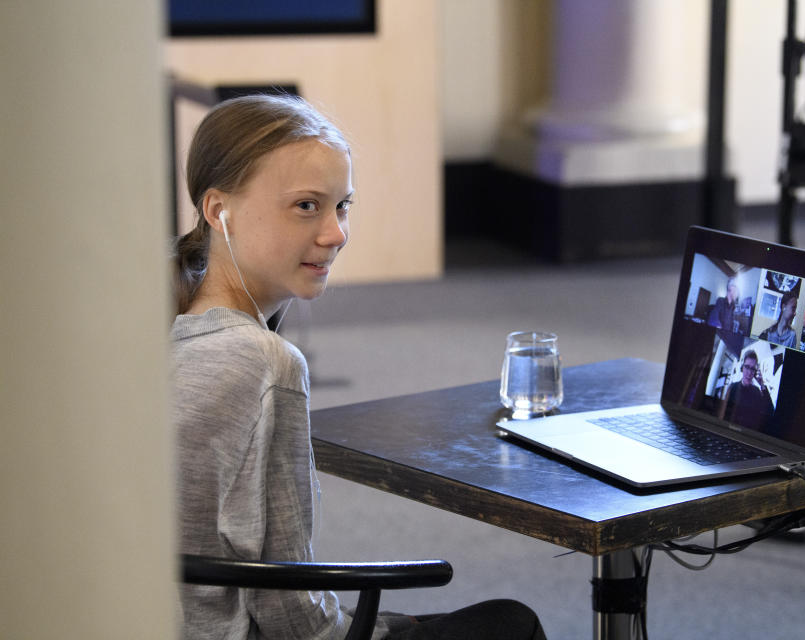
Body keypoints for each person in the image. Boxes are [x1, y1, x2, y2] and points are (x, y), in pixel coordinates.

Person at [171, 94, 546, 640]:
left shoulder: (162, 325)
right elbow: (288, 608)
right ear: (217, 209)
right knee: (512, 624)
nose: (336, 233)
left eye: (342, 205)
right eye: (306, 206)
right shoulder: (262, 360)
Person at [723, 350, 774, 431]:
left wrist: (762, 385)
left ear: (755, 371)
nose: (749, 372)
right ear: (742, 367)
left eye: (753, 369)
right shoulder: (732, 387)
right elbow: (724, 414)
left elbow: (770, 411)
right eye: (747, 367)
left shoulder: (757, 391)